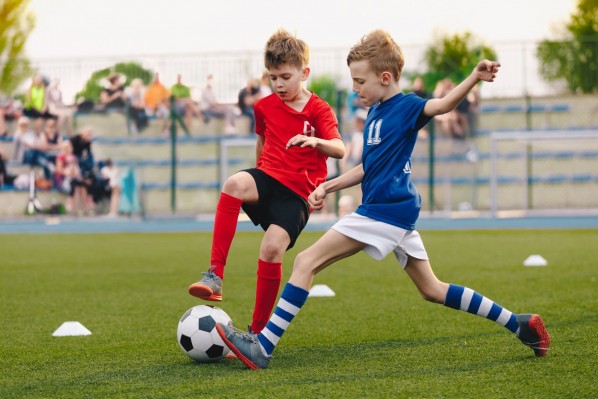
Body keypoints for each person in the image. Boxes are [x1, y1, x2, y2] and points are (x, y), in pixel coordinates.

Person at [216, 29, 550, 370]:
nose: (355, 88)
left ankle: (264, 345)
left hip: (382, 212)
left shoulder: (407, 107)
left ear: (385, 78)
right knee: (432, 289)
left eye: (360, 82)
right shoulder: (375, 112)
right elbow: (367, 168)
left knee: (305, 261)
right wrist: (327, 187)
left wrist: (474, 78)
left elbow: (443, 104)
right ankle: (519, 324)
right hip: (395, 212)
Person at [188, 28, 345, 336]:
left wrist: (316, 143)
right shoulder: (263, 106)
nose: (279, 84)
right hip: (269, 178)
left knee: (271, 249)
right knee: (234, 183)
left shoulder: (319, 109)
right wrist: (258, 171)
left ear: (305, 73)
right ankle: (214, 276)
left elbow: (340, 148)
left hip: (297, 196)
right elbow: (262, 141)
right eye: (273, 78)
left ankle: (257, 334)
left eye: (285, 76)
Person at [54, 140, 88, 214]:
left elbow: (77, 169)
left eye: (69, 147)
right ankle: (73, 208)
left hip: (73, 178)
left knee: (82, 186)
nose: (68, 149)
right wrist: (69, 173)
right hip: (63, 179)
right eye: (66, 147)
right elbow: (59, 170)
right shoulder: (60, 157)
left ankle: (85, 208)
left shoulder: (73, 157)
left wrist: (75, 173)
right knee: (74, 185)